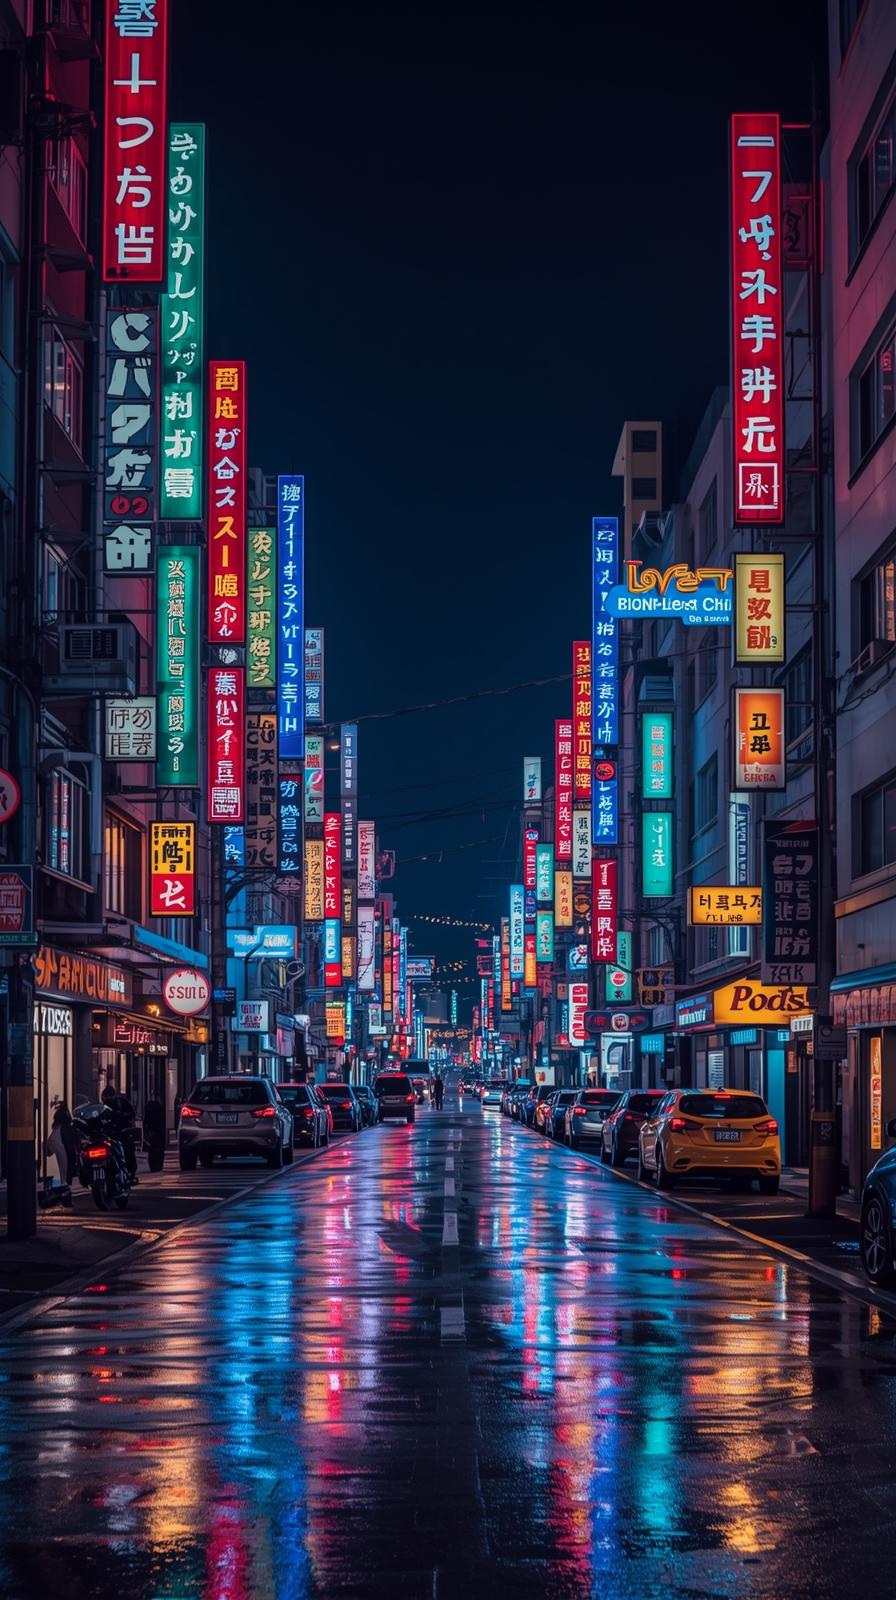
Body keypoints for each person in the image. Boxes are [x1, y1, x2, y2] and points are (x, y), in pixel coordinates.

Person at [101, 1084, 138, 1181]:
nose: (108, 1102)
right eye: (106, 1099)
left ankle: (130, 1172)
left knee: (128, 1148)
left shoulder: (122, 1103)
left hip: (121, 1133)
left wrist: (124, 1119)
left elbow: (132, 1114)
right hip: (107, 1134)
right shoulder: (101, 1108)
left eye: (109, 1099)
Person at [142, 1094, 166, 1172]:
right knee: (158, 1149)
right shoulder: (160, 1111)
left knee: (152, 1149)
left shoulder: (149, 1111)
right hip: (159, 1131)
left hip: (152, 1131)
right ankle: (158, 1165)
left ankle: (154, 1166)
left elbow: (145, 1121)